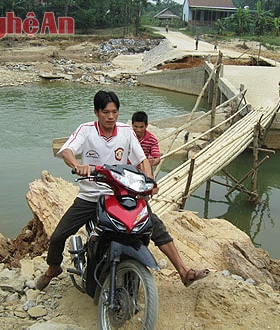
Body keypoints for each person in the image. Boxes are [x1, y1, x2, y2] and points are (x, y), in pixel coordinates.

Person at [36, 90, 209, 291]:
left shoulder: (126, 132)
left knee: (154, 225)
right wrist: (77, 164)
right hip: (91, 195)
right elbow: (66, 151)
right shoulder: (86, 130)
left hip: (120, 194)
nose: (111, 117)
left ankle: (183, 271)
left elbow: (142, 160)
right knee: (58, 235)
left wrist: (150, 181)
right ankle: (53, 268)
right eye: (106, 112)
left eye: (115, 112)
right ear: (96, 112)